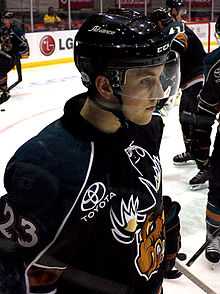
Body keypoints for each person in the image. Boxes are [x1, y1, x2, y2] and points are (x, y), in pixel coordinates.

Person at [0, 10, 181, 294]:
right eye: (146, 81)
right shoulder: (50, 165)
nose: (160, 92)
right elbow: (16, 275)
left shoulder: (146, 126)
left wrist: (157, 216)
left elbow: (131, 188)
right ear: (106, 86)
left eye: (160, 77)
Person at [185, 15, 220, 263]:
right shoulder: (217, 65)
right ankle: (214, 235)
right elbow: (206, 109)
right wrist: (201, 145)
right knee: (218, 189)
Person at [165, 0, 209, 190]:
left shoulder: (176, 27)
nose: (182, 12)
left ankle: (205, 166)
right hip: (191, 81)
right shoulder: (171, 27)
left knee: (194, 120)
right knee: (185, 118)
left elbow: (175, 51)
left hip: (198, 79)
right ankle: (192, 152)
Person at [0, 11, 29, 104]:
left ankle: (4, 91)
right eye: (4, 18)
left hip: (12, 57)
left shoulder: (17, 31)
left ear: (11, 20)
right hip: (3, 54)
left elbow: (26, 47)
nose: (4, 20)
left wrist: (18, 55)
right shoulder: (2, 30)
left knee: (1, 69)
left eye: (6, 19)